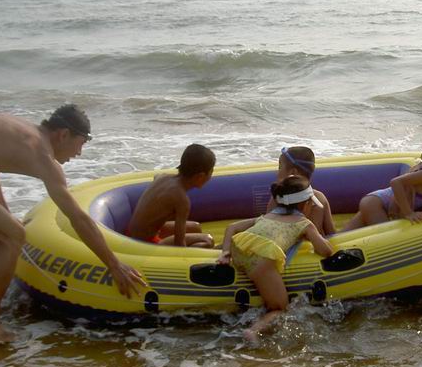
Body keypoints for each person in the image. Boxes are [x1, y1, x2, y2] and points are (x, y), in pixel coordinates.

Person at [0, 105, 147, 344]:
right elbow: (78, 218)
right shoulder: (41, 153)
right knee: (11, 235)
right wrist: (113, 264)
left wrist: (4, 216)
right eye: (81, 143)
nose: (79, 153)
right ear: (63, 134)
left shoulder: (25, 134)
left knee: (0, 232)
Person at [217, 175, 334, 340]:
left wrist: (225, 253)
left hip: (239, 251)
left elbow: (232, 227)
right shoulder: (304, 223)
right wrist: (315, 238)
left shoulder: (266, 217)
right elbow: (325, 251)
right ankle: (253, 331)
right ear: (304, 205)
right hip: (261, 261)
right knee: (280, 308)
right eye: (311, 203)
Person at [125, 144, 215, 248]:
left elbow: (156, 181)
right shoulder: (182, 200)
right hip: (144, 244)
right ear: (200, 176)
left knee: (196, 228)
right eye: (211, 172)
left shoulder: (162, 177)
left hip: (132, 232)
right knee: (208, 240)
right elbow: (179, 243)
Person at [266, 146, 335, 236]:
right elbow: (332, 234)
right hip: (315, 244)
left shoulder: (279, 199)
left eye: (280, 167)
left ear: (293, 173)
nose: (277, 172)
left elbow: (267, 227)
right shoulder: (320, 198)